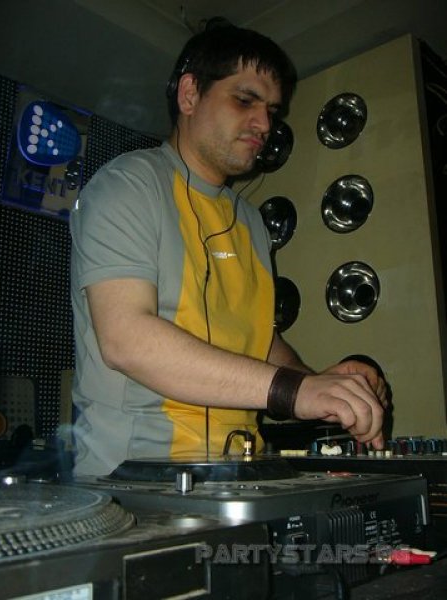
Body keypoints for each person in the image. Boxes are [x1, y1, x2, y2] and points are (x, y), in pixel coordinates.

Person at [70, 24, 386, 477]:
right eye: (244, 100)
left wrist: (324, 386)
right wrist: (294, 392)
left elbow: (259, 341)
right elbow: (126, 339)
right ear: (189, 94)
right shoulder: (127, 185)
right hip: (135, 475)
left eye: (271, 110)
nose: (265, 124)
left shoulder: (251, 222)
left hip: (238, 471)